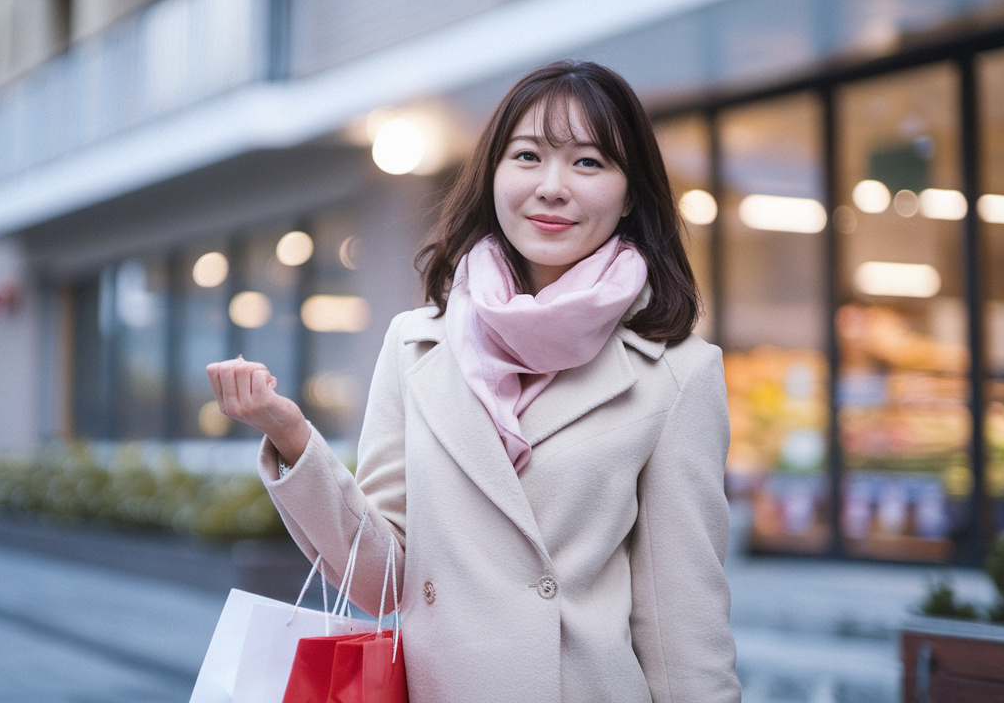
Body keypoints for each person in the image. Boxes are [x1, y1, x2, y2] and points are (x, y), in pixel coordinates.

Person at [207, 61, 740, 703]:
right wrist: (291, 438)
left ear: (631, 195)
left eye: (589, 163)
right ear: (492, 174)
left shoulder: (677, 374)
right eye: (527, 156)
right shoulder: (416, 345)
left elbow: (685, 623)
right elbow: (382, 575)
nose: (551, 186)